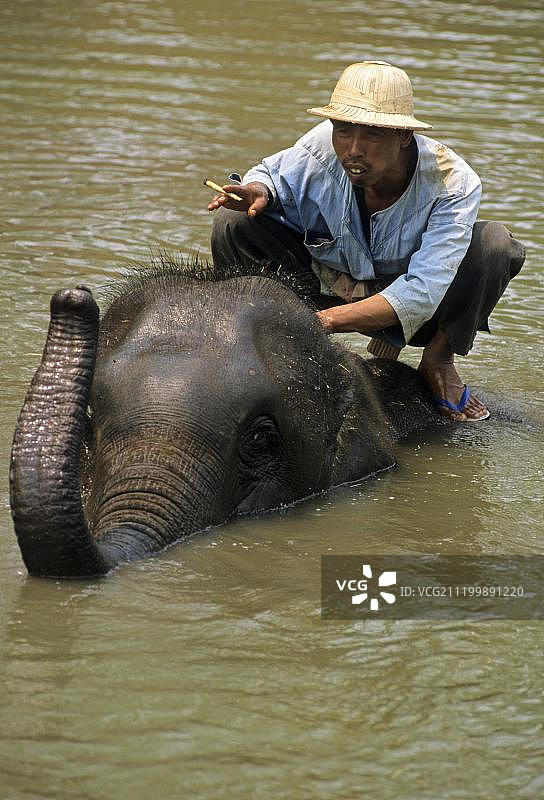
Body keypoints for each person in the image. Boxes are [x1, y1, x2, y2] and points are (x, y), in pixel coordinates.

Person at [208, 60, 525, 421]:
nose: (353, 149)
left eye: (372, 134)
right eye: (343, 131)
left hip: (412, 309)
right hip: (326, 284)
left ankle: (439, 359)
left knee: (495, 244)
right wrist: (257, 191)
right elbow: (270, 174)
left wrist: (322, 322)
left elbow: (423, 291)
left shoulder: (451, 183)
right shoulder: (318, 150)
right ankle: (275, 347)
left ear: (404, 136)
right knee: (233, 221)